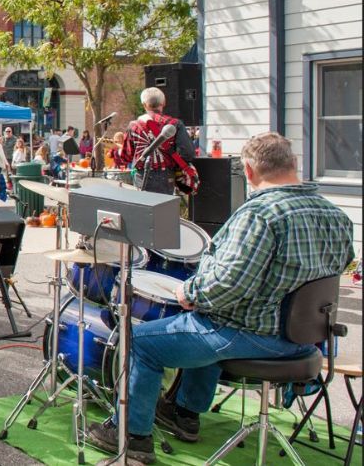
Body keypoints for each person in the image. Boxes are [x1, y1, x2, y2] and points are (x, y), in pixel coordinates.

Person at [87, 132, 356, 463]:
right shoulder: (336, 215)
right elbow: (340, 265)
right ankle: (184, 413)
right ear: (294, 164)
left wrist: (189, 292)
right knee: (205, 321)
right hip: (306, 340)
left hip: (257, 336)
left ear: (249, 169)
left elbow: (227, 286)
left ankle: (132, 436)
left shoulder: (260, 214)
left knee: (142, 339)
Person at [116, 87, 198, 195]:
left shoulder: (134, 126)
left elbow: (126, 158)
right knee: (164, 209)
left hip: (141, 177)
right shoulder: (174, 124)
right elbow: (188, 153)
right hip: (166, 176)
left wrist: (120, 150)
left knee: (143, 208)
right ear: (163, 103)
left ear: (144, 104)